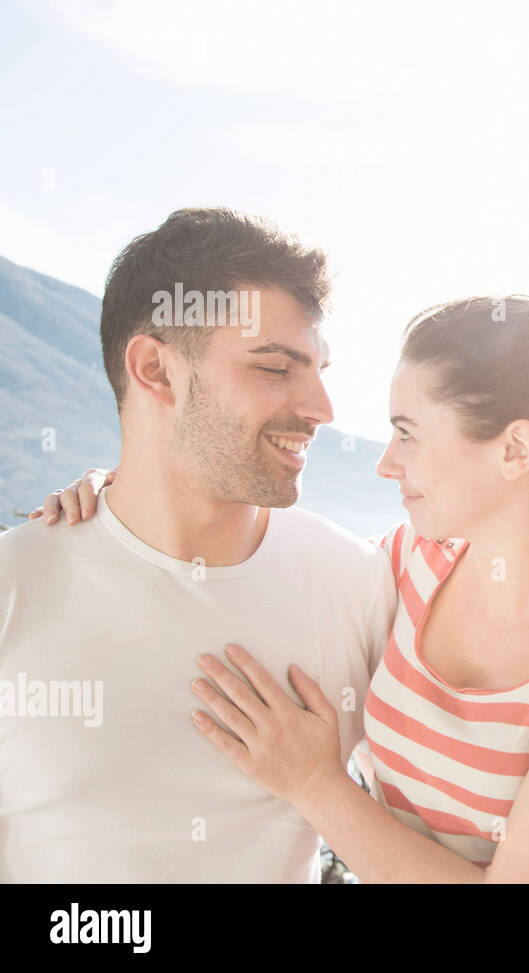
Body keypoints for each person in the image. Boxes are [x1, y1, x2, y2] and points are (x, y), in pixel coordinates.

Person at [28, 291, 529, 882]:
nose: (386, 464)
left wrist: (314, 784)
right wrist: (122, 504)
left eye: (407, 434)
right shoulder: (411, 564)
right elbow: (252, 559)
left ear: (515, 450)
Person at [0, 207, 398, 882]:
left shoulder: (358, 586)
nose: (323, 406)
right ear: (155, 370)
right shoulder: (15, 584)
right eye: (276, 366)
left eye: (319, 368)